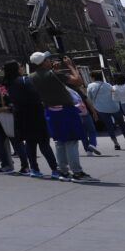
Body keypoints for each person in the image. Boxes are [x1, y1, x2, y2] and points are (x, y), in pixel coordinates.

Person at [28, 52, 91, 181]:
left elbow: (48, 83)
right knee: (72, 141)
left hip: (50, 111)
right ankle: (77, 172)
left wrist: (53, 71)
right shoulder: (55, 74)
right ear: (44, 62)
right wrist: (70, 65)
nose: (50, 61)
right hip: (65, 110)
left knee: (60, 142)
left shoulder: (31, 77)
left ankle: (63, 171)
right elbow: (78, 81)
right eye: (48, 59)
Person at [4, 60, 59, 178]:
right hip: (35, 114)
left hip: (20, 116)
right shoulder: (24, 80)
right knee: (44, 142)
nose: (22, 67)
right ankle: (55, 169)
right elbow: (35, 94)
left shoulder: (9, 83)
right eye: (20, 65)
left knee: (30, 143)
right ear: (16, 69)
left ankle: (34, 168)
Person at [86, 71, 125, 152]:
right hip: (114, 107)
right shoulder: (108, 85)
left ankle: (116, 144)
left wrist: (94, 109)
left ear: (93, 77)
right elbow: (114, 95)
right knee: (122, 125)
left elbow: (89, 99)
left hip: (101, 109)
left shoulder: (90, 86)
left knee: (109, 126)